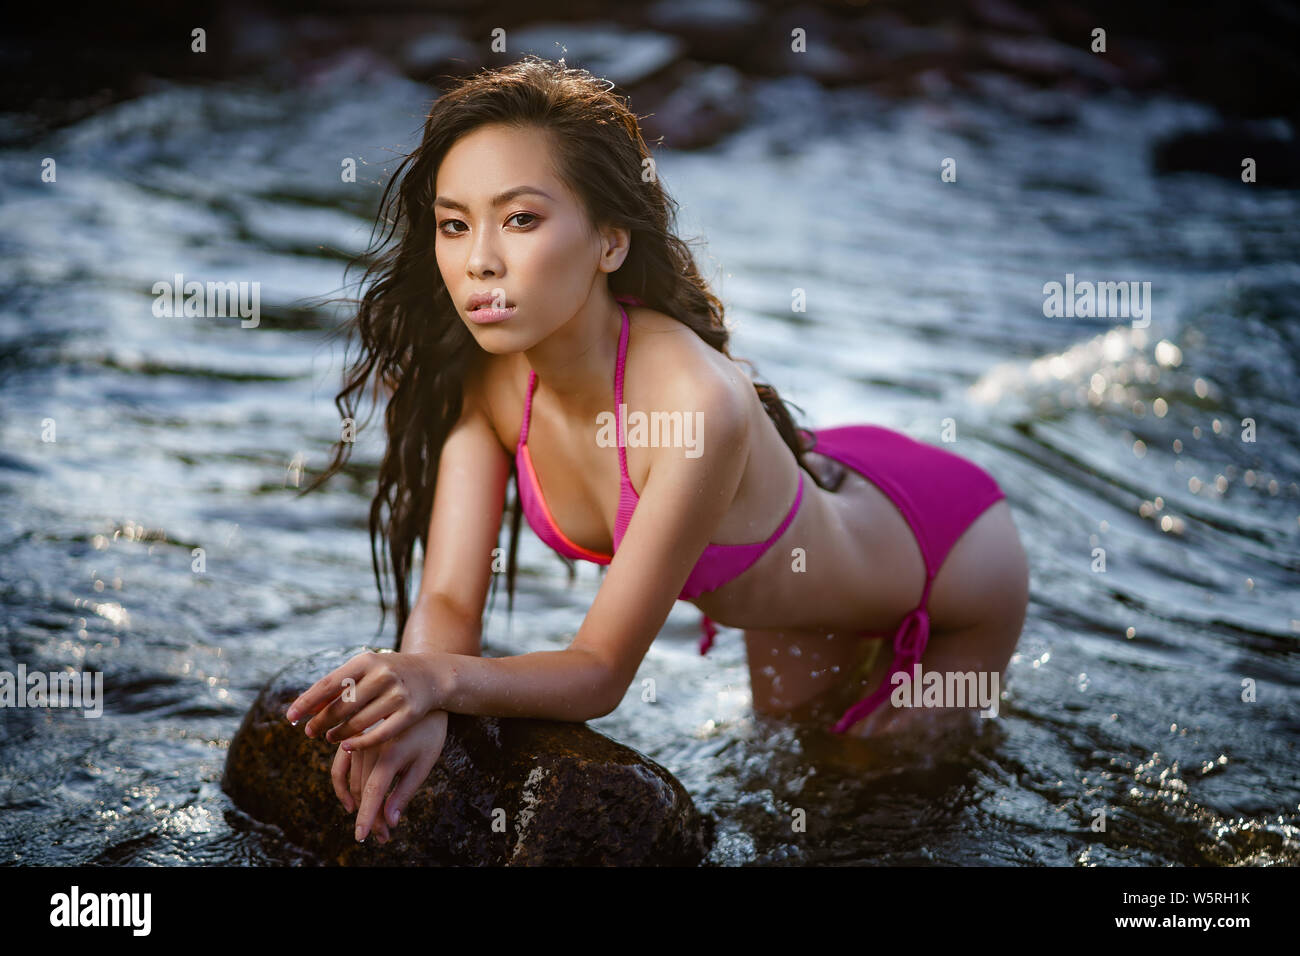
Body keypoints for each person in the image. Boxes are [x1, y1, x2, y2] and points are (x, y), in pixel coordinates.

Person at [284, 56, 1029, 844]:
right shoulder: (492, 377)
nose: (479, 262)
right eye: (454, 223)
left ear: (610, 240)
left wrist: (436, 678)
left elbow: (601, 671)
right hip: (809, 554)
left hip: (949, 558)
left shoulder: (695, 407)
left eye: (522, 219)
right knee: (786, 782)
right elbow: (448, 602)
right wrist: (418, 703)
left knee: (860, 801)